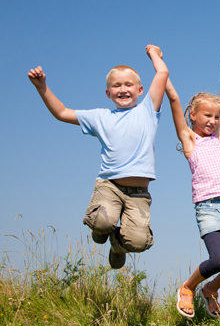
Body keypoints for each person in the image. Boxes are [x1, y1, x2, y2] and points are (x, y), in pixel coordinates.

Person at [26, 45, 168, 269]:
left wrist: (153, 54)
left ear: (140, 90)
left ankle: (117, 246)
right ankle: (102, 227)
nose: (123, 89)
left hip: (138, 194)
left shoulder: (148, 111)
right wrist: (42, 87)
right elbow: (62, 112)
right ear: (108, 93)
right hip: (110, 186)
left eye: (128, 85)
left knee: (139, 242)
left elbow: (162, 73)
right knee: (101, 222)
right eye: (116, 86)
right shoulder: (100, 117)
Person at [166, 49, 220, 318]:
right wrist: (161, 70)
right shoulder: (190, 141)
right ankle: (188, 287)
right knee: (218, 260)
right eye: (207, 116)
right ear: (193, 115)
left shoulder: (217, 138)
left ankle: (210, 289)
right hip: (209, 207)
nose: (213, 122)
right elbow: (174, 99)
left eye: (216, 117)